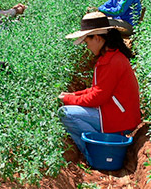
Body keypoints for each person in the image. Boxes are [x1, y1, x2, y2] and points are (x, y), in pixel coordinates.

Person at [58, 12, 142, 163]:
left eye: (87, 41)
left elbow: (98, 97)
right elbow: (97, 89)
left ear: (97, 38)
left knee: (66, 113)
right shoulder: (111, 56)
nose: (86, 46)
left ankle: (97, 153)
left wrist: (68, 99)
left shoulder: (111, 61)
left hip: (119, 119)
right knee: (70, 107)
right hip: (121, 115)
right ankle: (101, 146)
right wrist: (72, 95)